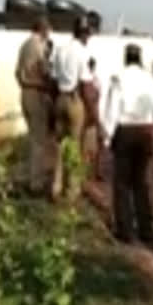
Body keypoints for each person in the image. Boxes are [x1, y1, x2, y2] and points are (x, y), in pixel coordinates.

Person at [102, 44, 153, 243]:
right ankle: (146, 229)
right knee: (140, 182)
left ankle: (125, 229)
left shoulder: (119, 78)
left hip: (125, 129)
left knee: (122, 183)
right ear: (140, 58)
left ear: (126, 58)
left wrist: (108, 137)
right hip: (145, 130)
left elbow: (113, 109)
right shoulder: (150, 79)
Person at [50, 16, 96, 202]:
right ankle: (71, 191)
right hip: (74, 98)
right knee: (75, 146)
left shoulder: (60, 50)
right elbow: (85, 85)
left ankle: (56, 187)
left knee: (60, 146)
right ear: (84, 34)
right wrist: (91, 110)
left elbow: (53, 78)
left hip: (60, 97)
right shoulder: (82, 52)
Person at [15, 17, 55, 195]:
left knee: (33, 137)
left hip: (25, 93)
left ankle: (28, 175)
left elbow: (17, 72)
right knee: (39, 139)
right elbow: (44, 71)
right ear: (44, 29)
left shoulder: (24, 45)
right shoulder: (38, 46)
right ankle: (36, 183)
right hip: (36, 92)